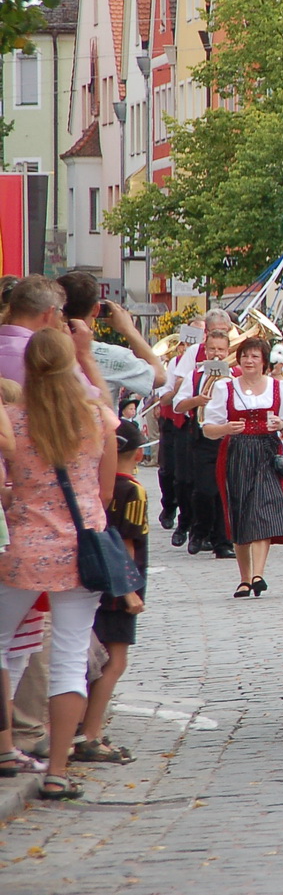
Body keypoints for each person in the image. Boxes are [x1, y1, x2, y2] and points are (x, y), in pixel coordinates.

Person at [0, 328, 116, 799]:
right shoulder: (92, 418)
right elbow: (105, 491)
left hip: (25, 548)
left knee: (1, 643)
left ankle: (5, 744)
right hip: (81, 551)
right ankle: (59, 772)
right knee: (70, 659)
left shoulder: (13, 419)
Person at [75, 418, 148, 765]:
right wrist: (128, 590)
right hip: (118, 586)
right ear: (137, 453)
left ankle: (83, 726)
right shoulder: (132, 490)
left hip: (91, 577)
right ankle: (91, 733)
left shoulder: (92, 486)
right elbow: (128, 544)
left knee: (91, 657)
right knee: (114, 663)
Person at [203, 336, 283, 598]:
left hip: (267, 452)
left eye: (255, 356)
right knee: (240, 512)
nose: (249, 360)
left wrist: (281, 425)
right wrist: (225, 428)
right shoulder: (225, 388)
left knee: (263, 509)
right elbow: (208, 429)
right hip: (236, 453)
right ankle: (245, 578)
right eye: (245, 355)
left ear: (264, 361)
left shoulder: (278, 387)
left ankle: (258, 574)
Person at [174, 326, 236, 560]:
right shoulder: (195, 375)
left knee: (224, 490)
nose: (216, 355)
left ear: (228, 350)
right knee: (204, 489)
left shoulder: (235, 375)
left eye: (221, 350)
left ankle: (223, 541)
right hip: (202, 436)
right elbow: (179, 406)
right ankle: (200, 531)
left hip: (227, 436)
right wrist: (197, 400)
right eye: (212, 349)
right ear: (205, 350)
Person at [56, 273, 164, 406]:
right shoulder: (115, 355)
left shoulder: (36, 347)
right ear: (96, 309)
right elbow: (159, 377)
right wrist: (129, 330)